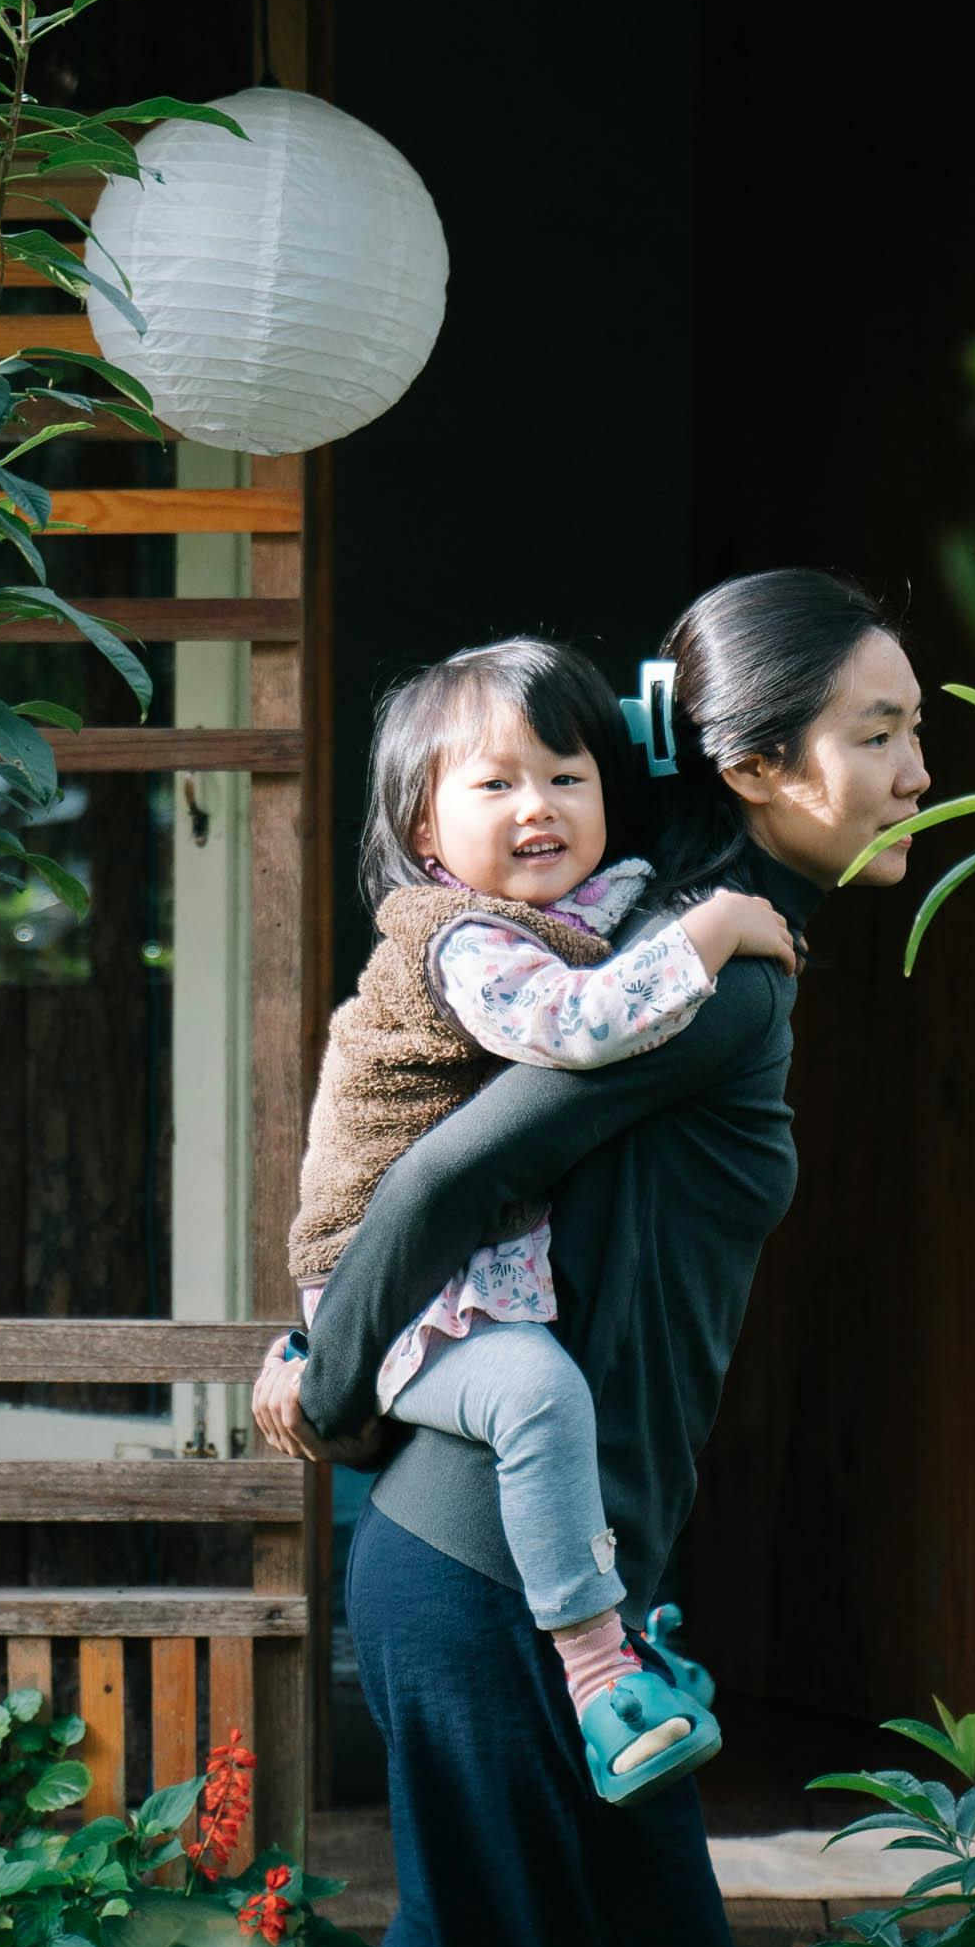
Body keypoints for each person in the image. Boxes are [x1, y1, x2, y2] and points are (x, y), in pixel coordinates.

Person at [254, 570, 929, 1947]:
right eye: (883, 730)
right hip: (471, 1560)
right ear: (756, 759)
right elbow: (443, 1180)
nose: (920, 766)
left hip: (560, 1573)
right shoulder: (697, 965)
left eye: (916, 723)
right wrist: (330, 1377)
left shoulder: (679, 934)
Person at [285, 635, 797, 1802]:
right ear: (424, 834)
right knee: (535, 1392)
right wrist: (713, 934)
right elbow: (575, 1025)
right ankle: (595, 1668)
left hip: (461, 1273)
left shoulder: (580, 903)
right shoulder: (456, 936)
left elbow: (644, 896)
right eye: (494, 783)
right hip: (387, 1279)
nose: (540, 806)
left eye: (568, 776)